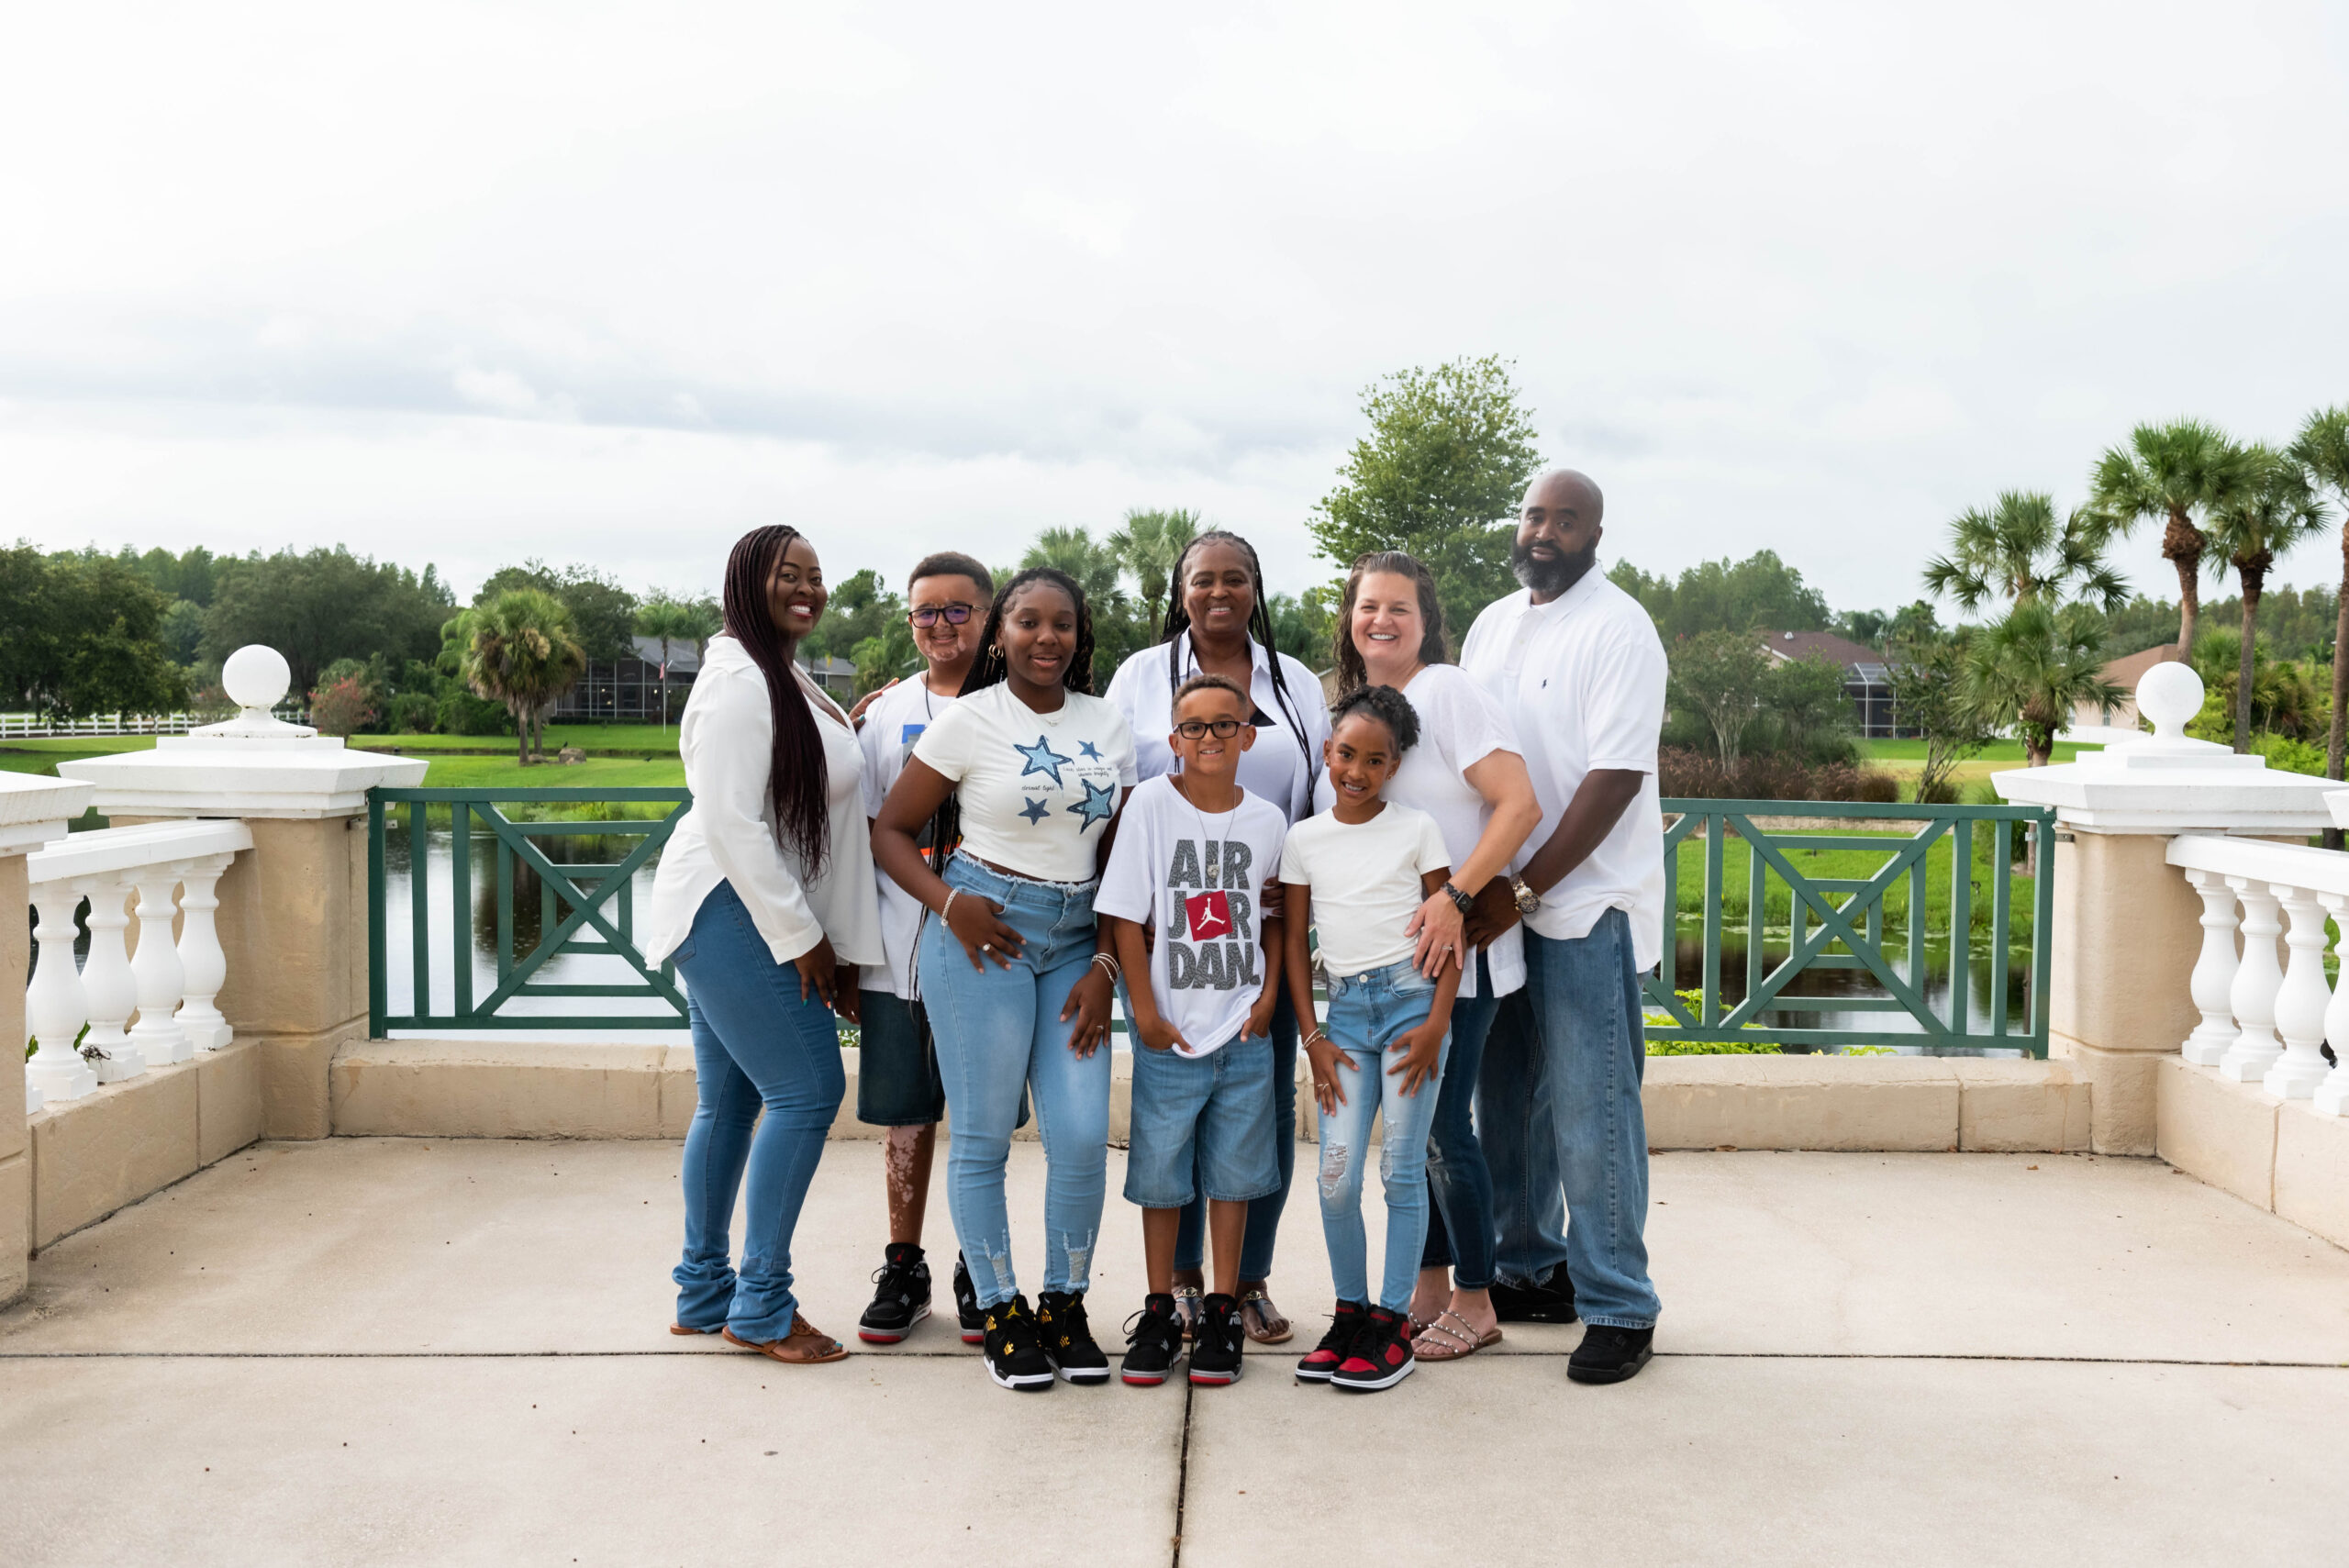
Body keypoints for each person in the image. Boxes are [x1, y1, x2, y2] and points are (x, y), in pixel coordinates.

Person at [872, 568, 1136, 1393]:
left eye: (1062, 623)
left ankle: (1065, 1303)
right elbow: (890, 829)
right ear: (1001, 632)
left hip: (1077, 942)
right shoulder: (969, 720)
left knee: (1083, 1135)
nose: (1045, 637)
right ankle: (1001, 1309)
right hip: (985, 933)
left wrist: (1103, 961)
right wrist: (950, 904)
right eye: (1028, 621)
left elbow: (1122, 862)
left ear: (1080, 634)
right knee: (984, 1137)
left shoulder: (1110, 723)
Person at [641, 524, 882, 1365]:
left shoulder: (780, 674)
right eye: (789, 574)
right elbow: (732, 824)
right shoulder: (741, 682)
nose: (807, 588)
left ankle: (703, 1292)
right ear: (748, 580)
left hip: (736, 907)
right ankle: (762, 1305)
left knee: (734, 1102)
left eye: (816, 575)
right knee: (811, 1087)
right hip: (731, 905)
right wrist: (805, 939)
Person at [1458, 467, 1667, 1385]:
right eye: (1535, 514)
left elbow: (1612, 779)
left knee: (1591, 1109)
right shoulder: (1493, 622)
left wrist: (1526, 887)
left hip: (1584, 904)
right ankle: (1527, 1262)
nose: (1544, 531)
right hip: (1499, 899)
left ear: (1594, 533)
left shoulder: (1619, 629)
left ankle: (1619, 1301)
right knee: (1505, 1101)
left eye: (1565, 519)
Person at [1104, 528, 1330, 1346]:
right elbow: (1105, 774)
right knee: (1171, 1122)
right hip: (1169, 949)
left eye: (1237, 578)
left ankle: (1247, 1284)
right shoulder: (1140, 675)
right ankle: (1182, 1289)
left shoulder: (1295, 682)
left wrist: (1293, 883)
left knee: (1256, 1117)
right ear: (1182, 589)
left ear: (1256, 589)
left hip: (1258, 933)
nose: (1220, 592)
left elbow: (1329, 783)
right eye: (1203, 579)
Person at [1318, 552, 1542, 1364]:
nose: (1381, 619)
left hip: (1457, 960)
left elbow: (1519, 802)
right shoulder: (1356, 711)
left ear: (1426, 620)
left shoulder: (1445, 691)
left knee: (1445, 1129)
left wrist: (1459, 896)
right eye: (1368, 605)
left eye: (1399, 608)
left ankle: (1478, 1300)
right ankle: (1427, 1285)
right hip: (1381, 970)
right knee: (1414, 1136)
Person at [1096, 674, 1288, 1387]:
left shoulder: (1268, 822)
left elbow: (1273, 916)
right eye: (1194, 727)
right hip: (1170, 1035)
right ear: (1173, 740)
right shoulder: (1150, 805)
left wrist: (1268, 997)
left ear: (1248, 735)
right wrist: (1143, 1009)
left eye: (1224, 724)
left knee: (1234, 1180)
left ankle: (1220, 1310)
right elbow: (1123, 911)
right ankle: (1157, 1308)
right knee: (1160, 1177)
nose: (1210, 737)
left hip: (1241, 1033)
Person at [1282, 686, 1460, 1394]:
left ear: (1392, 767)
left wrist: (1437, 1024)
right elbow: (1293, 940)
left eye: (1374, 759)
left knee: (1399, 1171)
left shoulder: (1417, 828)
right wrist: (1313, 1035)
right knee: (1336, 1177)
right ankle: (1350, 1312)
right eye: (1346, 753)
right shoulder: (1305, 839)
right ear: (1328, 752)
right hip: (1346, 1016)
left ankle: (1392, 1322)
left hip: (1413, 1004)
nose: (1356, 769)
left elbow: (1450, 936)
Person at [847, 551, 996, 1347]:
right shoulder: (886, 712)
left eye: (957, 609)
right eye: (925, 612)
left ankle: (982, 1261)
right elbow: (864, 832)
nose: (941, 624)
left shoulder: (1021, 704)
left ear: (987, 613)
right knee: (907, 1113)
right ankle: (905, 1263)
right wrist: (846, 947)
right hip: (901, 937)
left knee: (980, 1111)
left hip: (994, 946)